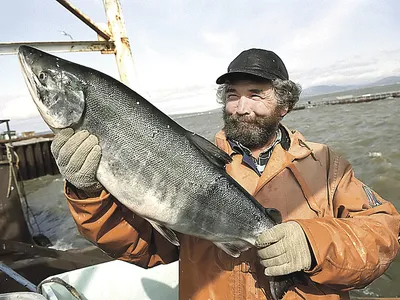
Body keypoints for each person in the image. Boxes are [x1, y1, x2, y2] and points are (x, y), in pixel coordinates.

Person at [52, 48, 400, 299]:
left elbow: (383, 232)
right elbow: (145, 248)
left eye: (256, 95)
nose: (241, 107)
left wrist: (313, 244)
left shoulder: (327, 165)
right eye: (233, 95)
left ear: (284, 105)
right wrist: (89, 193)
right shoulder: (184, 162)